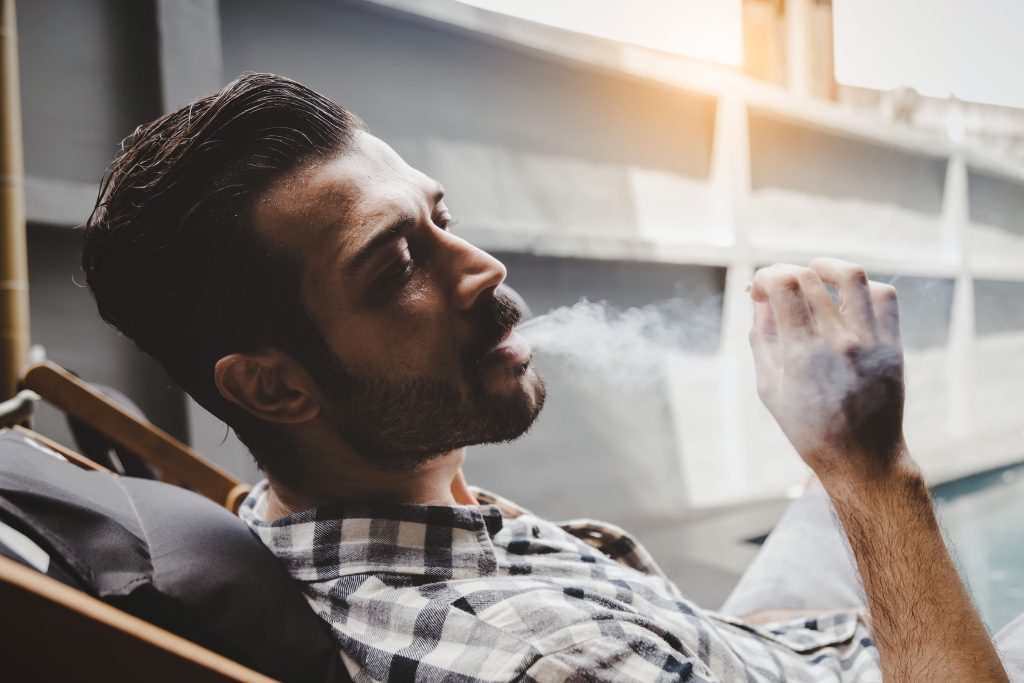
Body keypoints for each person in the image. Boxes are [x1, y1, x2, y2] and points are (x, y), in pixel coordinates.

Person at [81, 73, 1009, 682]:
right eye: (396, 264)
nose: (480, 265)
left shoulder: (304, 516)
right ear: (275, 388)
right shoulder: (538, 660)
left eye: (439, 215)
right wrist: (875, 476)